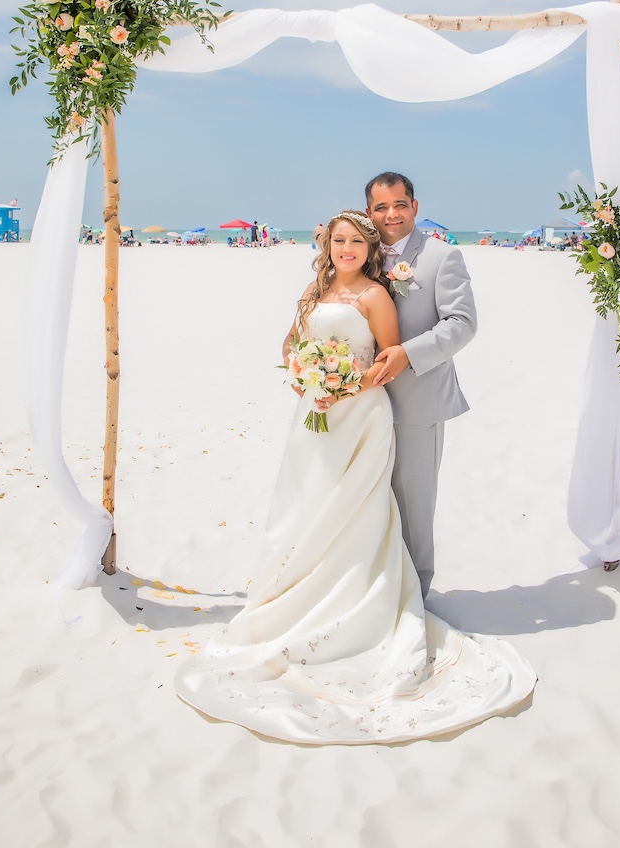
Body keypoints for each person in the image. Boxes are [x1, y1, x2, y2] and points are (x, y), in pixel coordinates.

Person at [175, 210, 535, 743]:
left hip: (361, 414)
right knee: (306, 504)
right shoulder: (313, 289)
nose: (347, 250)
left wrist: (344, 384)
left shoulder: (375, 296)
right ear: (326, 245)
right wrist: (303, 374)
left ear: (369, 249)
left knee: (355, 507)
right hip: (314, 416)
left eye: (356, 243)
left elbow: (385, 361)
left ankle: (362, 599)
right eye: (338, 241)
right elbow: (289, 345)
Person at [365, 172, 476, 599]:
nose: (391, 214)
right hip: (363, 403)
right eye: (380, 207)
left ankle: (415, 596)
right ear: (370, 212)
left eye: (398, 204)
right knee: (371, 500)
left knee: (413, 504)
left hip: (417, 401)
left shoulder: (441, 256)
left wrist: (408, 354)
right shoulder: (363, 252)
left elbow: (462, 324)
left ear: (414, 206)